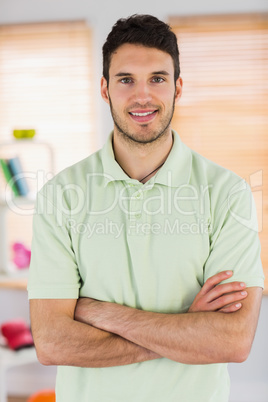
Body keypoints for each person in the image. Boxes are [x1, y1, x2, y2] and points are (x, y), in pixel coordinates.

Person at [28, 14, 264, 402]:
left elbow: (233, 341)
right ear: (104, 89)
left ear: (178, 87)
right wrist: (187, 330)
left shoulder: (228, 193)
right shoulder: (61, 195)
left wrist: (101, 314)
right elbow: (53, 343)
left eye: (157, 78)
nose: (142, 96)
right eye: (126, 80)